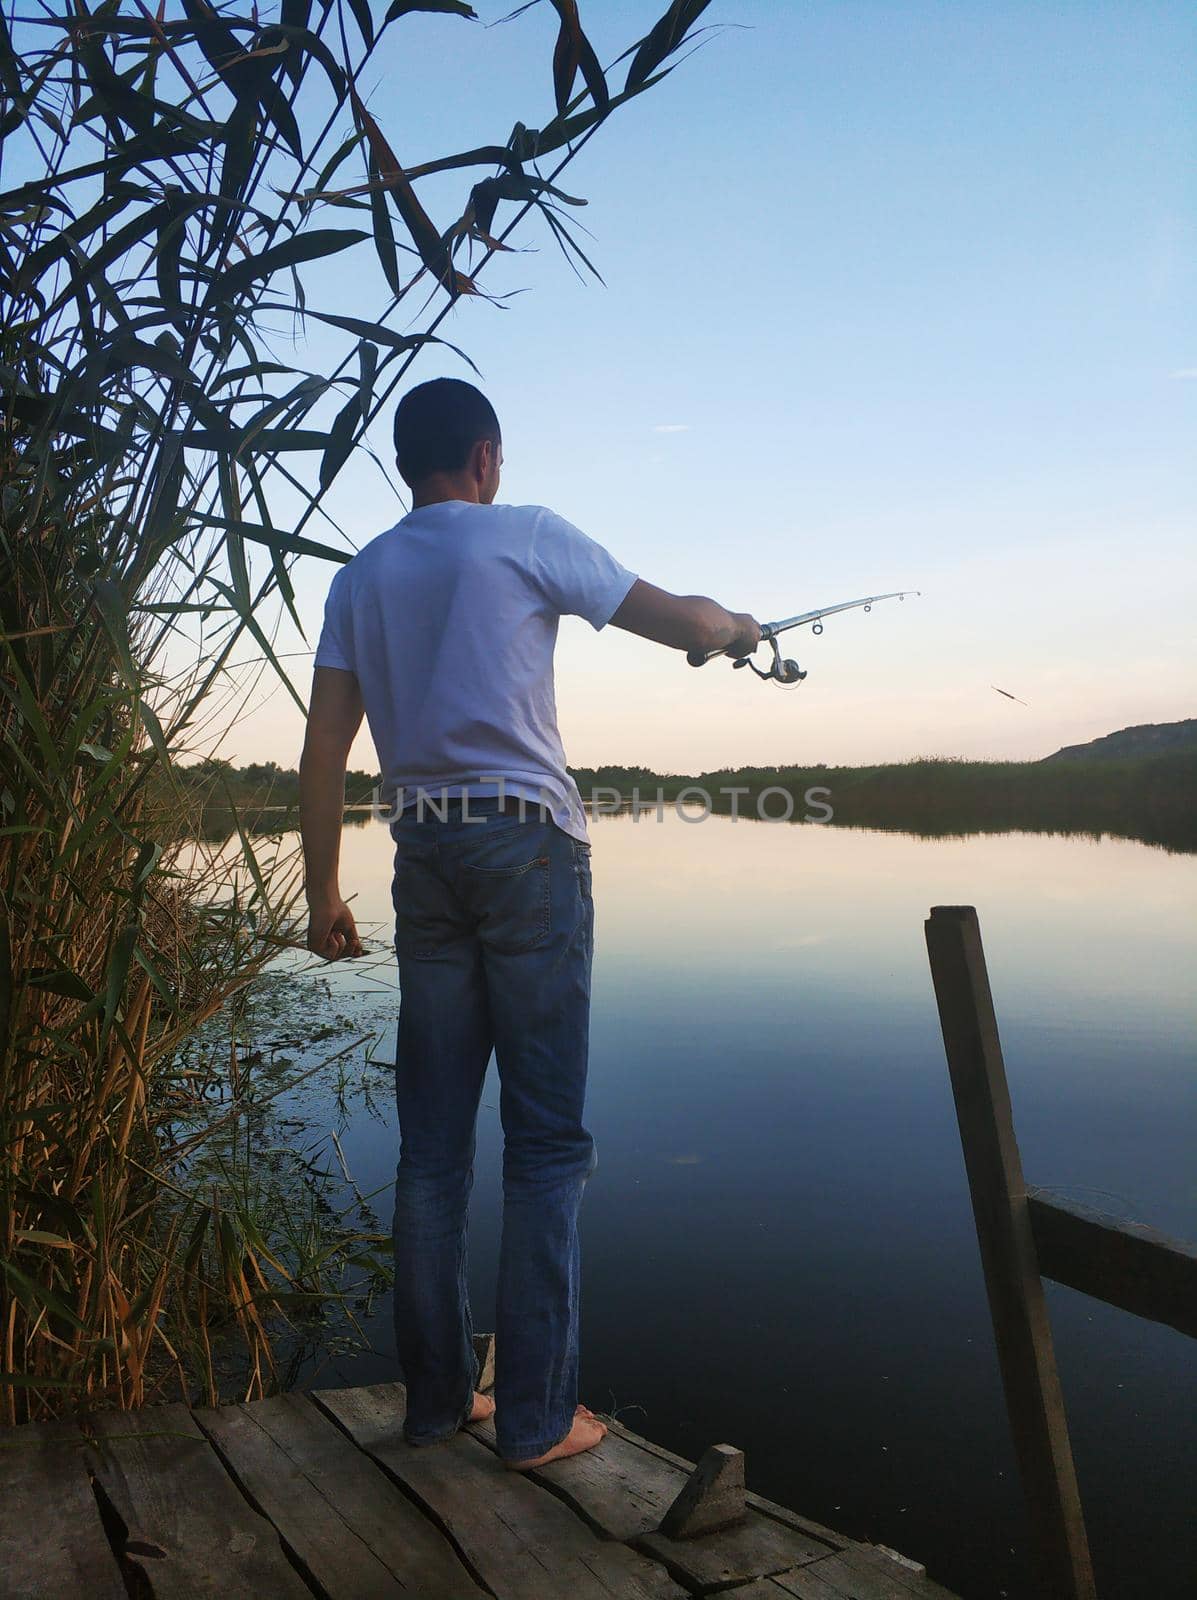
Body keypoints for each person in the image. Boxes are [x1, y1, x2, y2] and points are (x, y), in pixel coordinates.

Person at [298, 378, 760, 1469]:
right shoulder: (524, 537)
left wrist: (322, 892)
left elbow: (323, 752)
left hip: (423, 855)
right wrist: (737, 631)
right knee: (547, 1144)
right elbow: (678, 620)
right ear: (485, 457)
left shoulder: (359, 580)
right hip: (527, 847)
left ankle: (433, 1402)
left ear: (408, 466)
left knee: (431, 1150)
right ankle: (540, 1422)